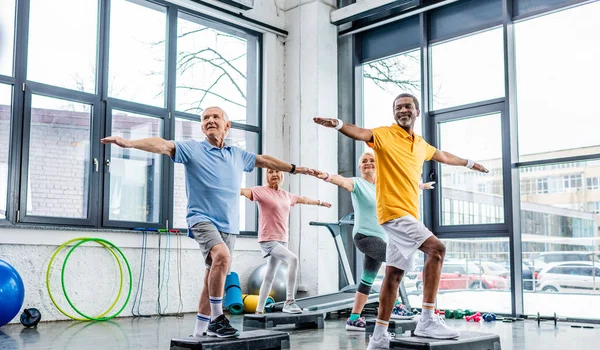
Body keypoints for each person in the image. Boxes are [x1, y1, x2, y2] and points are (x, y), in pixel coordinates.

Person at [102, 106, 313, 338]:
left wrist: (293, 168)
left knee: (211, 277)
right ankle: (217, 319)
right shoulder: (192, 149)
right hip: (201, 219)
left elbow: (264, 160)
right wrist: (130, 143)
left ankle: (200, 332)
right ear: (202, 127)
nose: (210, 121)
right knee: (222, 256)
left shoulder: (237, 154)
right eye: (205, 118)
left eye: (215, 117)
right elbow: (163, 144)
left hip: (229, 225)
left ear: (227, 125)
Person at [313, 93, 488, 350]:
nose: (402, 110)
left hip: (407, 214)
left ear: (416, 111)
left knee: (393, 276)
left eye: (407, 106)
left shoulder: (420, 144)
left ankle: (379, 337)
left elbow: (442, 155)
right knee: (437, 249)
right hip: (394, 213)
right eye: (398, 107)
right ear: (394, 113)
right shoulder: (384, 135)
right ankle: (427, 319)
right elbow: (360, 133)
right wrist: (339, 124)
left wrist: (470, 163)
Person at [311, 152, 433, 331]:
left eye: (371, 160)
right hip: (364, 237)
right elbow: (343, 181)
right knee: (397, 262)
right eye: (364, 162)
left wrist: (420, 186)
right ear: (360, 167)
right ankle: (395, 305)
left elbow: (402, 187)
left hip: (380, 237)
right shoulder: (357, 183)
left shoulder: (383, 186)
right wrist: (328, 177)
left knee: (367, 279)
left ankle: (353, 318)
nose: (368, 163)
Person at [241, 169, 331, 314]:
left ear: (282, 175)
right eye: (270, 172)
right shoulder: (260, 191)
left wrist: (320, 202)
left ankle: (259, 309)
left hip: (282, 239)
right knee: (293, 259)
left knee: (270, 275)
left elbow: (304, 199)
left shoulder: (286, 195)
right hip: (268, 239)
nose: (274, 174)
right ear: (267, 176)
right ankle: (289, 301)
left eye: (277, 171)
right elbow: (243, 191)